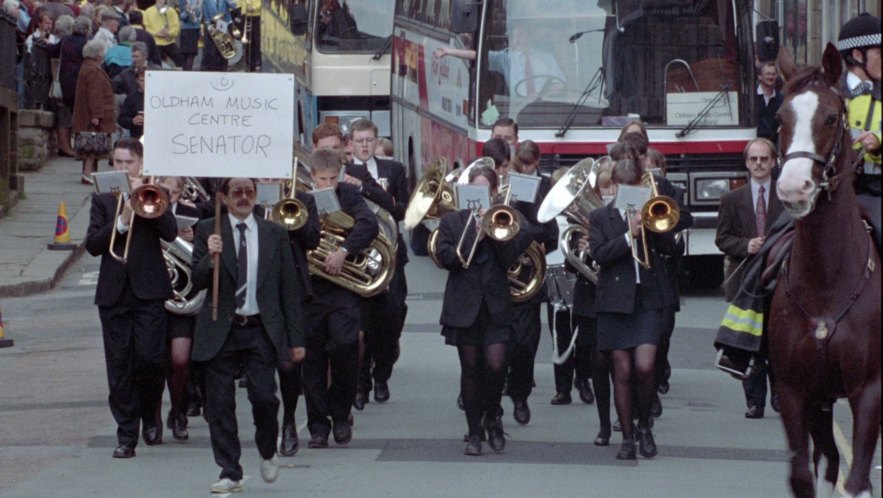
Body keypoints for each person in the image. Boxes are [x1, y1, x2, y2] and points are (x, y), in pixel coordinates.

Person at [190, 177, 306, 494]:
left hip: (260, 329)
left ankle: (268, 449)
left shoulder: (275, 233)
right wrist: (208, 257)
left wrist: (296, 340)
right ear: (224, 198)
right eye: (237, 193)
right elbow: (196, 280)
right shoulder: (207, 230)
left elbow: (288, 290)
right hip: (221, 330)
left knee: (265, 398)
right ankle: (230, 470)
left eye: (249, 192)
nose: (244, 198)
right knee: (220, 404)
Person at [84, 138, 178, 458]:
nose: (123, 168)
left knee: (151, 359)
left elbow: (170, 232)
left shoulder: (154, 193)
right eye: (117, 163)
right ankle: (127, 434)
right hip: (113, 294)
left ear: (141, 165)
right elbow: (94, 244)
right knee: (119, 367)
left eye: (129, 163)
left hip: (149, 290)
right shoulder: (102, 199)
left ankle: (150, 410)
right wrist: (123, 219)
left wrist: (145, 203)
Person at [436, 164, 531, 455]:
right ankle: (474, 431)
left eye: (484, 191)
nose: (479, 196)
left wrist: (492, 232)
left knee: (496, 367)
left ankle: (493, 416)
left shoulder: (504, 220)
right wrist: (473, 235)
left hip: (496, 305)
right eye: (473, 190)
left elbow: (509, 258)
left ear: (492, 193)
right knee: (471, 370)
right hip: (464, 306)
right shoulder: (452, 221)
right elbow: (447, 258)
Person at [588, 159, 678, 460]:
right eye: (622, 188)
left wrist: (651, 225)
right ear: (613, 186)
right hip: (615, 302)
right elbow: (600, 253)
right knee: (622, 371)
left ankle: (644, 426)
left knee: (645, 366)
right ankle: (627, 438)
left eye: (634, 187)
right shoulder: (600, 217)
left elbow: (670, 248)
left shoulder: (651, 212)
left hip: (648, 299)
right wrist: (630, 236)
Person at [301, 148, 378, 449]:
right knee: (313, 360)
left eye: (333, 178)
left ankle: (341, 413)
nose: (328, 184)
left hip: (342, 289)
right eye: (322, 179)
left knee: (346, 348)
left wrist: (343, 251)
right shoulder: (303, 200)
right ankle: (318, 427)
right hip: (311, 290)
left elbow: (369, 225)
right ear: (312, 177)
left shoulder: (348, 195)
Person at [715, 138, 783, 419]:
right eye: (754, 159)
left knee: (778, 340)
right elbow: (722, 238)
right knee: (749, 341)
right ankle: (754, 401)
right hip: (745, 280)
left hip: (780, 278)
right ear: (746, 163)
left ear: (773, 162)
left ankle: (780, 394)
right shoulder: (732, 199)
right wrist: (746, 245)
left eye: (764, 159)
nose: (759, 164)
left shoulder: (785, 196)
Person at [348, 119, 410, 409]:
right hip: (359, 258)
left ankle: (382, 373)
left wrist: (365, 186)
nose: (364, 145)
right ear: (350, 144)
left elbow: (400, 210)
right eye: (359, 140)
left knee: (392, 316)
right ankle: (361, 384)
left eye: (369, 140)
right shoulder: (341, 171)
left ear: (375, 142)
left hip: (392, 254)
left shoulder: (392, 170)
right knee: (362, 323)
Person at [504, 139, 559, 426]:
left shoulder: (547, 185)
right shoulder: (506, 185)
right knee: (502, 341)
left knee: (525, 342)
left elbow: (550, 231)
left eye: (530, 164)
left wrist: (528, 231)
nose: (526, 168)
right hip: (503, 271)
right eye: (521, 164)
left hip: (530, 273)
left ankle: (521, 393)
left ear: (537, 161)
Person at [155, 176, 202, 442]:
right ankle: (153, 417)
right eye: (165, 191)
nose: (169, 197)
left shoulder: (191, 213)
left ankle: (179, 410)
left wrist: (193, 239)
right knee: (153, 362)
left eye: (173, 193)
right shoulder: (145, 208)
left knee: (181, 358)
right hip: (154, 297)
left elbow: (204, 255)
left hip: (182, 298)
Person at [276, 179, 321, 457]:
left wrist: (291, 217)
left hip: (291, 290)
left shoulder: (303, 199)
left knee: (290, 365)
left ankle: (289, 420)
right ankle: (269, 423)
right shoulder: (243, 198)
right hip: (255, 295)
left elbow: (312, 239)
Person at [837, 13, 881, 247]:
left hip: (876, 190)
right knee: (780, 231)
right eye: (879, 53)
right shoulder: (830, 93)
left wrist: (878, 143)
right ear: (857, 55)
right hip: (833, 192)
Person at [435, 24, 564, 97]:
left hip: (545, 107)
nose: (517, 40)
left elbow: (560, 84)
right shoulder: (506, 57)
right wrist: (449, 52)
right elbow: (479, 55)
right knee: (488, 117)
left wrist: (542, 95)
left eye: (521, 35)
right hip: (514, 108)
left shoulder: (547, 58)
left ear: (530, 38)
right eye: (514, 36)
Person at [72, 39, 115, 184]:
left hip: (87, 114)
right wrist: (96, 115)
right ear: (97, 54)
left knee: (91, 146)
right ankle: (88, 173)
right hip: (94, 115)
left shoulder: (87, 67)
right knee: (92, 146)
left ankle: (91, 174)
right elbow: (94, 94)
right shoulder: (94, 70)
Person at [53, 15, 89, 158]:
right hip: (80, 83)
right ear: (87, 29)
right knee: (80, 116)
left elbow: (52, 50)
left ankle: (65, 146)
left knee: (64, 114)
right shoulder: (87, 43)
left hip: (64, 82)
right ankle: (79, 148)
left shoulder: (65, 41)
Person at [201, 0, 238, 72]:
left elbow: (234, 6)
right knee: (213, 50)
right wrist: (210, 27)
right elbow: (206, 16)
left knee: (225, 48)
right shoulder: (206, 1)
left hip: (225, 23)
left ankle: (223, 69)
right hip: (213, 25)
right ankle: (213, 69)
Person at [143, 0, 180, 67]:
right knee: (154, 63)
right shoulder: (148, 11)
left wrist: (169, 33)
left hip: (169, 42)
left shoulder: (171, 11)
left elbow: (176, 26)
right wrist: (156, 33)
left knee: (181, 59)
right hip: (155, 43)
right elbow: (146, 28)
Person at [755, 62, 783, 143]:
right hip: (754, 144)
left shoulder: (781, 99)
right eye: (767, 74)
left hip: (774, 145)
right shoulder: (751, 98)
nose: (771, 77)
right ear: (759, 76)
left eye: (773, 74)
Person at [117, 68, 144, 138]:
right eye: (142, 80)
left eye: (148, 80)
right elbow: (121, 119)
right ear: (137, 80)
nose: (145, 83)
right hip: (137, 137)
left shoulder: (160, 96)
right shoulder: (131, 98)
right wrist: (132, 121)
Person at [177, 0, 200, 71]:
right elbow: (182, 17)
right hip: (186, 29)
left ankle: (189, 73)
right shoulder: (183, 1)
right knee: (185, 55)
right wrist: (187, 11)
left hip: (195, 28)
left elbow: (198, 14)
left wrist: (194, 10)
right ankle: (186, 74)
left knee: (192, 54)